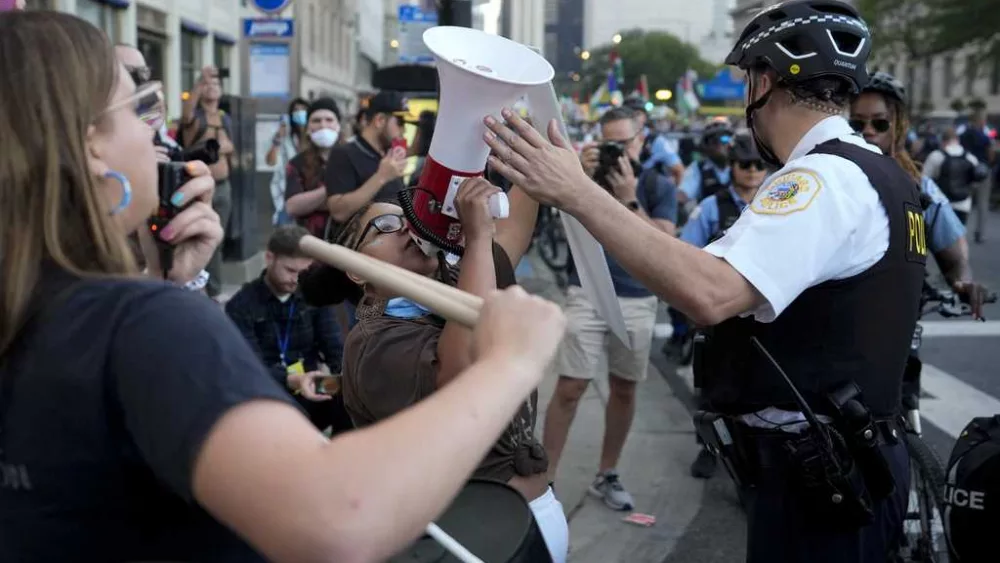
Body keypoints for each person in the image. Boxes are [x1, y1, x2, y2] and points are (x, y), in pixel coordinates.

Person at [0, 11, 567, 562]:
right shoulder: (140, 322)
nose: (162, 137)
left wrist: (170, 281)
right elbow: (336, 521)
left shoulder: (38, 304)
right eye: (142, 108)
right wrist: (511, 360)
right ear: (91, 141)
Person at [483, 1, 924, 560]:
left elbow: (711, 293)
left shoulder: (825, 177)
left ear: (762, 83)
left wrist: (577, 191)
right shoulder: (873, 170)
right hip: (839, 465)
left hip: (825, 479)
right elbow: (704, 268)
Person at [308, 175, 568, 562]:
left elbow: (508, 240)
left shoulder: (453, 284)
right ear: (358, 272)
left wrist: (532, 165)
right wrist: (477, 242)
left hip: (530, 518)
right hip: (471, 538)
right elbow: (468, 375)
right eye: (384, 227)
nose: (405, 230)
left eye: (405, 219)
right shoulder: (370, 343)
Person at [543, 107, 676, 512]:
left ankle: (608, 471)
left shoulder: (655, 183)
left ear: (642, 139)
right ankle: (544, 481)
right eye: (607, 144)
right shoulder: (585, 178)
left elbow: (668, 246)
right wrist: (576, 174)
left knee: (624, 386)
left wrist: (630, 199)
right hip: (586, 288)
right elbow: (550, 209)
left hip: (637, 295)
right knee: (570, 386)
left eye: (623, 143)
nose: (615, 153)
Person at [851, 72, 987, 317]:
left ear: (898, 125)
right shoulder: (832, 178)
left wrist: (964, 282)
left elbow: (955, 256)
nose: (868, 131)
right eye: (857, 124)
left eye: (879, 122)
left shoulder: (921, 187)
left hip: (898, 324)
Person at [678, 134, 768, 480]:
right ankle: (708, 449)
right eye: (744, 165)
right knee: (714, 391)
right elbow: (687, 253)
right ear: (731, 167)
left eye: (759, 165)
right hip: (721, 312)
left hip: (762, 312)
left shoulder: (777, 201)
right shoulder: (712, 207)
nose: (752, 172)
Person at [225, 226, 350, 434]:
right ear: (269, 258)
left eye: (304, 272)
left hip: (311, 385)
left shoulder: (313, 298)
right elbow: (249, 367)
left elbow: (333, 345)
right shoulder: (241, 305)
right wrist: (291, 379)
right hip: (266, 391)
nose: (297, 279)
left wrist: (344, 375)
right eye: (291, 271)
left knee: (350, 395)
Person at [179, 64, 236, 299]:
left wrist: (223, 148)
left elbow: (232, 148)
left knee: (218, 240)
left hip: (224, 186)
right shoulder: (196, 116)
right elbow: (186, 115)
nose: (212, 87)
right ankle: (206, 292)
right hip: (200, 187)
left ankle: (214, 290)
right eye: (207, 85)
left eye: (216, 84)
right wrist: (198, 82)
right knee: (202, 239)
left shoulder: (225, 118)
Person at [323, 91, 409, 228]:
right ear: (380, 120)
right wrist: (381, 177)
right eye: (400, 122)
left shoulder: (387, 155)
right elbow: (339, 212)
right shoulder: (344, 154)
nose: (403, 130)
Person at [284, 97, 342, 238]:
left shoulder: (353, 158)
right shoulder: (297, 164)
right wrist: (331, 189)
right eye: (316, 120)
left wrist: (311, 202)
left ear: (338, 126)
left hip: (350, 243)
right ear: (308, 128)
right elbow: (292, 206)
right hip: (311, 243)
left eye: (329, 120)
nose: (323, 125)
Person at [923, 128, 982, 224]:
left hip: (941, 204)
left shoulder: (936, 156)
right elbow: (976, 180)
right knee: (960, 235)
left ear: (943, 141)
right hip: (963, 203)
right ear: (958, 140)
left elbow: (925, 179)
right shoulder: (970, 158)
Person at [268, 97, 310, 226]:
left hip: (309, 194)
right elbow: (271, 161)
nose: (299, 113)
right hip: (287, 195)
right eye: (296, 110)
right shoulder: (285, 139)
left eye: (303, 110)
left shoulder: (315, 138)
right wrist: (278, 138)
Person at [958, 108, 995, 243]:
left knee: (963, 202)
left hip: (966, 172)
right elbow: (990, 153)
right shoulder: (984, 137)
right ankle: (979, 233)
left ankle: (960, 232)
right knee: (982, 204)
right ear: (981, 121)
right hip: (983, 172)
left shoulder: (963, 135)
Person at [678, 119, 733, 204]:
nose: (721, 145)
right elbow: (683, 194)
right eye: (714, 141)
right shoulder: (698, 168)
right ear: (705, 145)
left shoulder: (744, 165)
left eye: (725, 139)